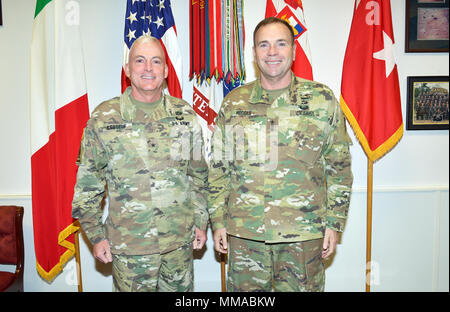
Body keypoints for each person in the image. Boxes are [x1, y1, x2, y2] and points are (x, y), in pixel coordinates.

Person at [208, 17, 353, 292]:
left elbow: (339, 167)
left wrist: (334, 223)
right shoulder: (234, 103)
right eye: (264, 45)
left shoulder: (322, 100)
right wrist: (217, 222)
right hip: (245, 236)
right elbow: (218, 168)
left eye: (280, 43)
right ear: (254, 53)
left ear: (294, 50)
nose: (272, 52)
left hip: (303, 237)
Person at [72, 36, 208, 292]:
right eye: (140, 61)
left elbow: (198, 176)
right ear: (127, 69)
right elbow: (87, 186)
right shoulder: (104, 118)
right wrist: (96, 236)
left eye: (156, 61)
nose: (148, 68)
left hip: (178, 247)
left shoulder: (185, 115)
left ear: (166, 71)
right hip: (129, 251)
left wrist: (201, 220)